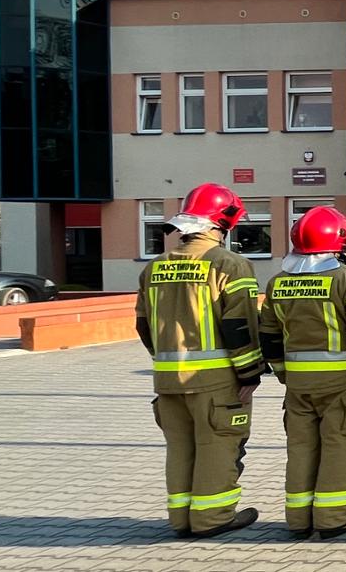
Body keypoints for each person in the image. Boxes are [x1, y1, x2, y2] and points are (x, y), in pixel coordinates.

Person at [136, 183, 265, 539]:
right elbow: (239, 325)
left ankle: (180, 518)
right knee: (217, 446)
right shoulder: (229, 264)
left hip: (167, 380)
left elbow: (143, 326)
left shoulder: (155, 268)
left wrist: (165, 360)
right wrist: (250, 373)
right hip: (215, 381)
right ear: (221, 223)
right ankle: (212, 518)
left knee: (179, 449)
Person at [260, 206, 346, 538]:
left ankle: (299, 520)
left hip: (298, 386)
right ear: (339, 239)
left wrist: (284, 373)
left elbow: (268, 336)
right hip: (342, 385)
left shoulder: (278, 283)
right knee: (341, 446)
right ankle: (334, 519)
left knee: (301, 448)